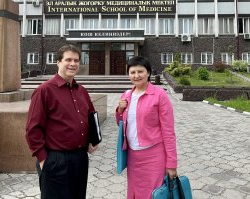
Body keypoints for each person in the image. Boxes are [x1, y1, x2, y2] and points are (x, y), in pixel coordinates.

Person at [25, 44, 98, 199]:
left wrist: (94, 139)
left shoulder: (82, 91)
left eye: (76, 60)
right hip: (55, 159)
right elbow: (33, 128)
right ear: (58, 62)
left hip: (80, 158)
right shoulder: (44, 90)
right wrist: (43, 159)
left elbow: (91, 115)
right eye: (68, 60)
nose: (73, 64)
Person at [116, 56, 177, 199]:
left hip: (154, 156)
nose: (136, 76)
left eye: (140, 71)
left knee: (154, 194)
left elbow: (168, 132)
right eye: (132, 72)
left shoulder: (159, 95)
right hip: (133, 156)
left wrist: (171, 163)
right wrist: (119, 110)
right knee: (135, 193)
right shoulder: (127, 95)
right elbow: (122, 124)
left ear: (148, 73)